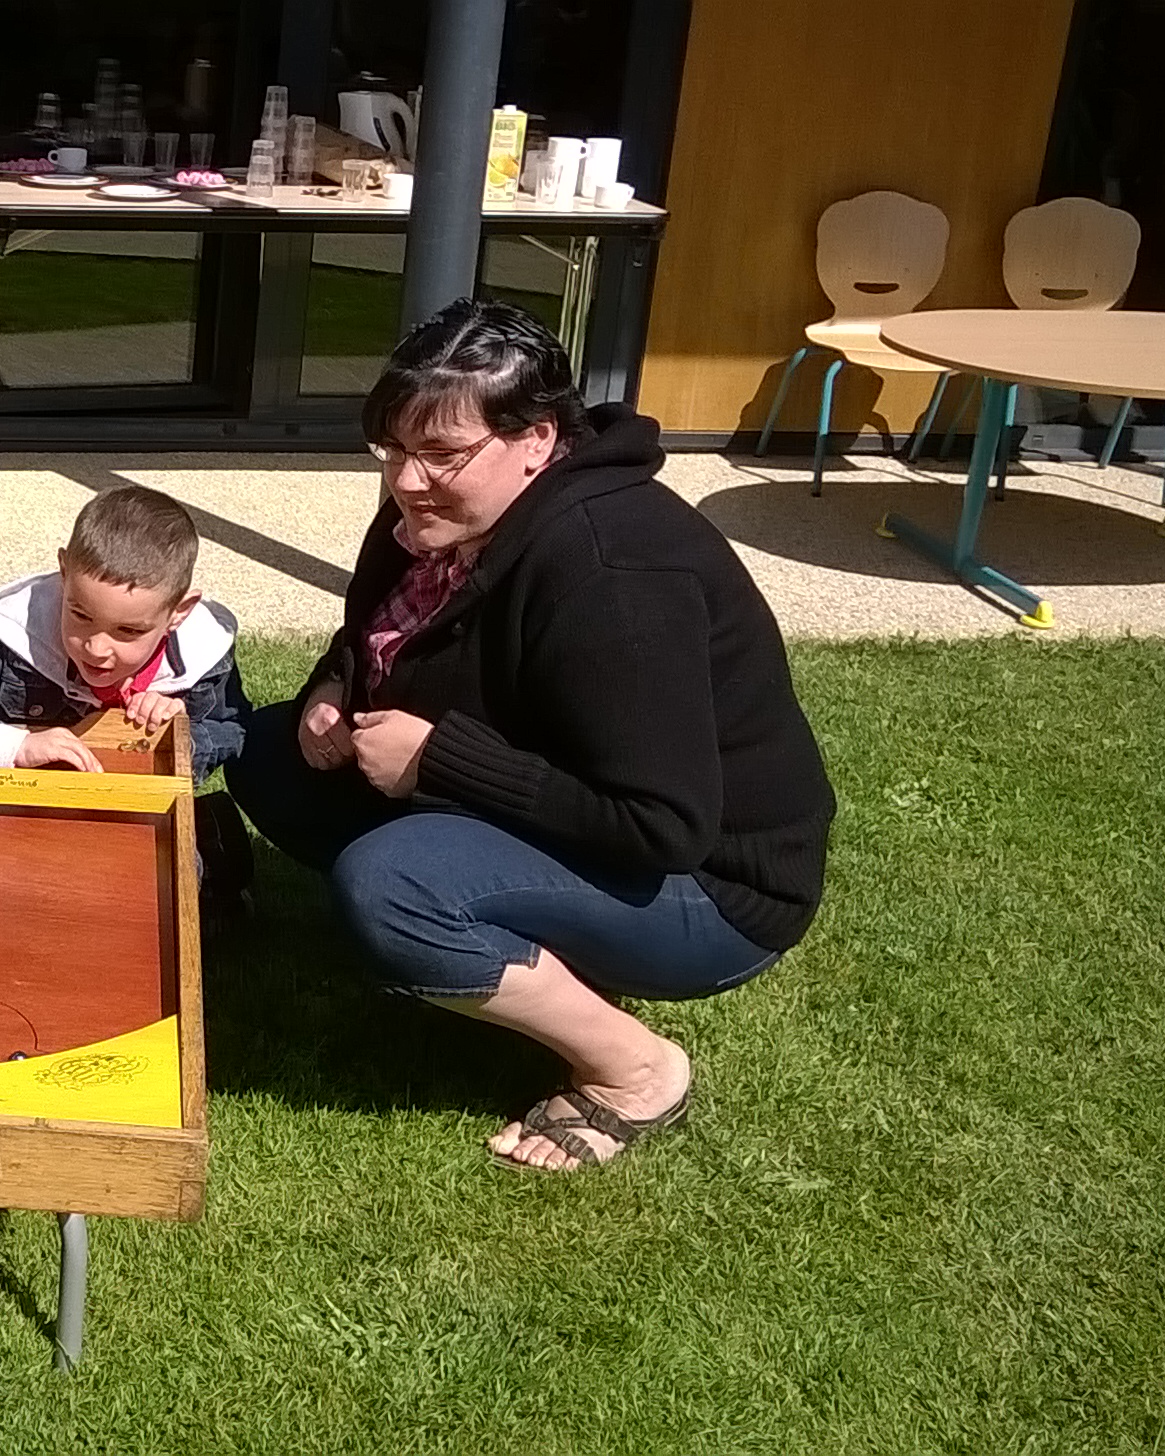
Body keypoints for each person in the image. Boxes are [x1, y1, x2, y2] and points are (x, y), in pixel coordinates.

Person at [227, 298, 836, 1171]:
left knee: (392, 885)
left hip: (709, 888)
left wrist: (438, 762)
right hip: (573, 807)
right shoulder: (442, 515)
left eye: (442, 454)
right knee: (266, 750)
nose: (407, 480)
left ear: (538, 439)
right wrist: (337, 682)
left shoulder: (612, 570)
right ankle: (488, 945)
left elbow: (664, 824)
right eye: (392, 449)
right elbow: (381, 631)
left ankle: (635, 1068)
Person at [0, 485, 254, 897]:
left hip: (133, 817)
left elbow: (233, 728)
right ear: (64, 573)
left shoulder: (201, 658)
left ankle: (213, 850)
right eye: (80, 614)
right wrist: (15, 746)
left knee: (168, 877)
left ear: (178, 612)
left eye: (128, 631)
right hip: (22, 811)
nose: (96, 648)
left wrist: (179, 731)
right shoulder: (17, 642)